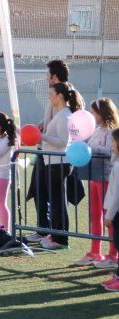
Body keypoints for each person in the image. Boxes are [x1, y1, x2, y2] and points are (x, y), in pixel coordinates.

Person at [26, 60, 84, 242]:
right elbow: (54, 124)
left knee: (54, 197)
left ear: (55, 77)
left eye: (47, 75)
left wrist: (42, 136)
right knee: (41, 192)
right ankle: (46, 230)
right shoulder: (57, 97)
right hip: (48, 154)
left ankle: (55, 235)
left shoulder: (62, 97)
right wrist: (44, 126)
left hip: (56, 157)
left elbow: (64, 134)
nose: (45, 78)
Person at [38, 82, 82, 250]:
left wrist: (44, 137)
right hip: (53, 163)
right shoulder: (61, 114)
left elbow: (63, 142)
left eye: (52, 93)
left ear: (60, 96)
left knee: (58, 203)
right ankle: (56, 234)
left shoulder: (65, 116)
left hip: (58, 164)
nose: (49, 97)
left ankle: (61, 239)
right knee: (56, 201)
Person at [75, 98, 119, 267]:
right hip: (94, 175)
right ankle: (95, 251)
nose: (91, 115)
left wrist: (90, 149)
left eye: (94, 112)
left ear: (102, 113)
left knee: (109, 215)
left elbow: (110, 150)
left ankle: (113, 254)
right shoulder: (96, 130)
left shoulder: (111, 131)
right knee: (95, 215)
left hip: (106, 177)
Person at [101, 128, 119, 291]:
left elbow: (117, 194)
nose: (111, 145)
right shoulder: (117, 162)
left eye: (113, 142)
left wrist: (110, 214)